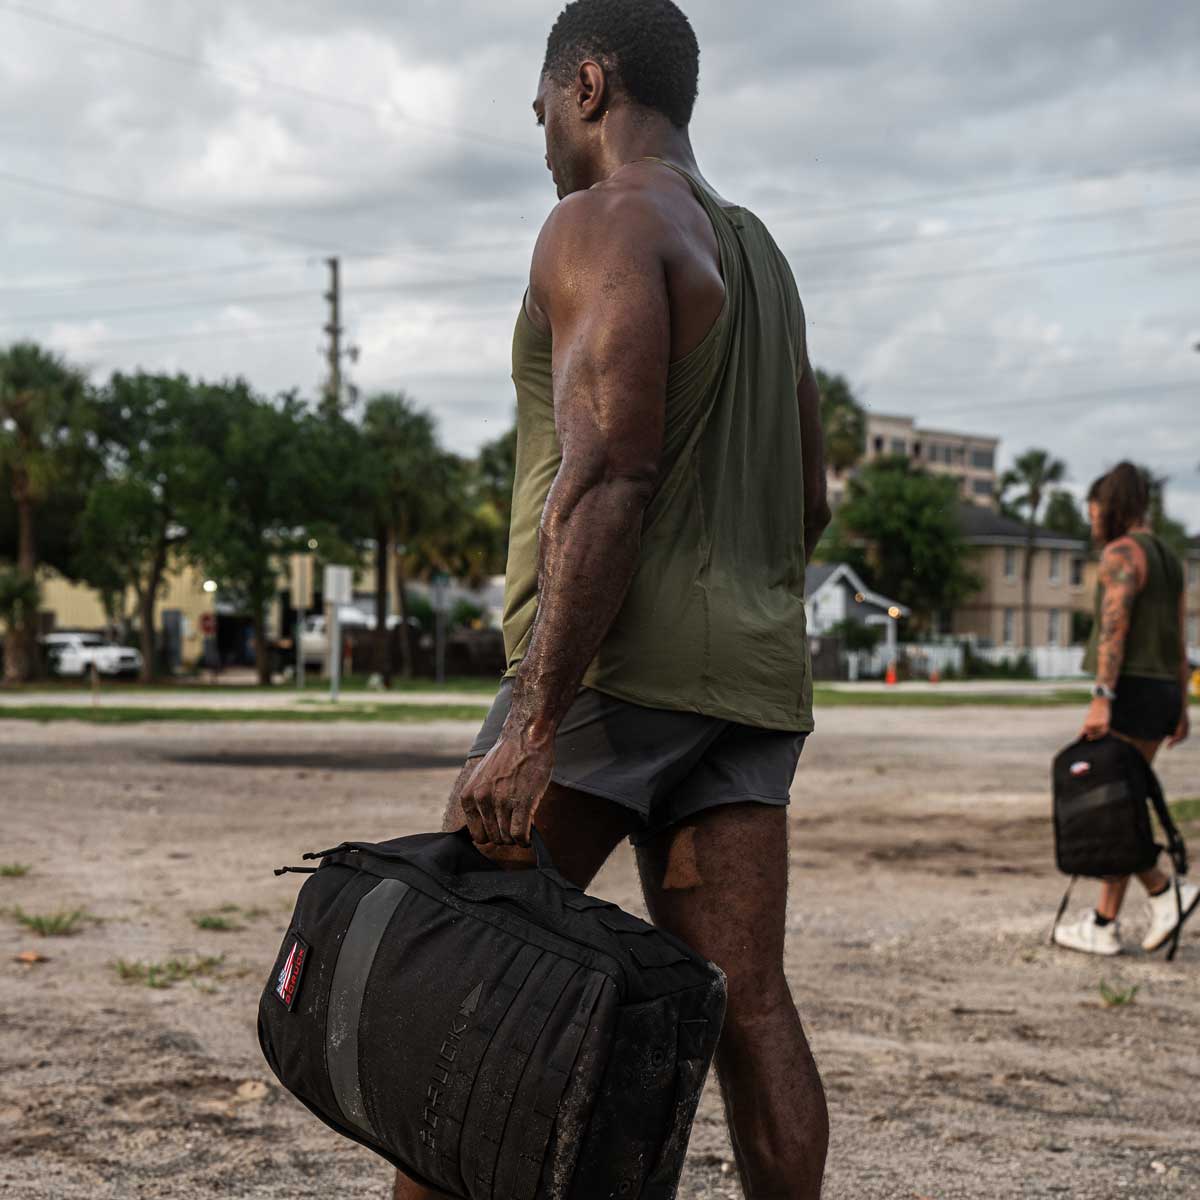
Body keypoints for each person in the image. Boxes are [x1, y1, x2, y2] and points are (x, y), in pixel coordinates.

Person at [393, 1, 831, 1196]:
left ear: (586, 86)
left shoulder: (598, 223)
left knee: (454, 976)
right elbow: (811, 504)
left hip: (606, 684)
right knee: (750, 1006)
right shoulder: (763, 256)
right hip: (747, 685)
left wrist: (537, 725)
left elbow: (608, 473)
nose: (538, 133)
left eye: (540, 106)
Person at [1054, 462, 1196, 957]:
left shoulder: (1122, 554)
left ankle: (1163, 891)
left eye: (1093, 506)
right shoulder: (1169, 559)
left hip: (1128, 692)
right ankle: (1104, 923)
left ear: (1110, 503)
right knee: (1123, 802)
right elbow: (1179, 636)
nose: (1090, 516)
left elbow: (1115, 629)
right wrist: (1182, 703)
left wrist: (1102, 697)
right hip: (1161, 692)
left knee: (1112, 808)